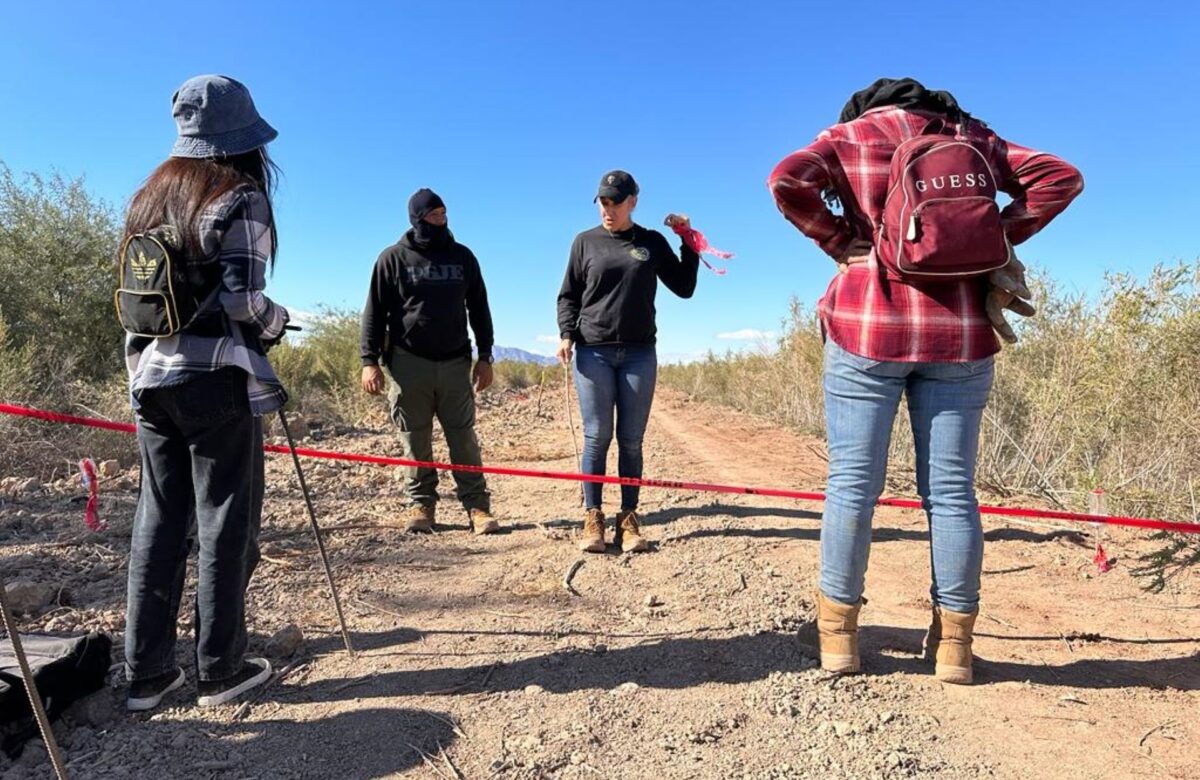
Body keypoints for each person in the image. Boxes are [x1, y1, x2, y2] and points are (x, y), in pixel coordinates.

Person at [768, 78, 1082, 683]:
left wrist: (844, 242)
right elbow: (1060, 176)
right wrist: (995, 235)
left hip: (867, 326)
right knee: (952, 490)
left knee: (853, 485)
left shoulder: (848, 138)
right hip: (960, 333)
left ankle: (838, 640)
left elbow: (786, 178)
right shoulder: (972, 138)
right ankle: (955, 647)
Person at [122, 75, 290, 710]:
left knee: (158, 521)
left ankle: (147, 676)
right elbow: (244, 300)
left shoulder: (150, 196)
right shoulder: (239, 195)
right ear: (242, 139)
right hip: (216, 377)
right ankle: (220, 669)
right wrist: (278, 322)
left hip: (151, 380)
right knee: (225, 521)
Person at [556, 170, 700, 553]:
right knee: (597, 434)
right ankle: (593, 517)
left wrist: (687, 239)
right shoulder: (584, 242)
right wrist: (566, 333)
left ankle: (629, 518)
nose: (608, 208)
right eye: (603, 201)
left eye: (615, 202)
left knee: (631, 440)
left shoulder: (649, 243)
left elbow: (684, 287)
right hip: (593, 352)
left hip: (639, 353)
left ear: (633, 201)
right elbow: (568, 295)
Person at [361, 189, 499, 535]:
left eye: (444, 214)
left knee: (463, 438)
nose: (442, 220)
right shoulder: (392, 259)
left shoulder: (462, 257)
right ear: (418, 219)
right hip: (409, 363)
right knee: (414, 439)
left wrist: (485, 356)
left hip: (454, 362)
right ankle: (422, 504)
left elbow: (479, 309)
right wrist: (369, 361)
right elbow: (374, 314)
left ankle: (477, 506)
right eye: (434, 215)